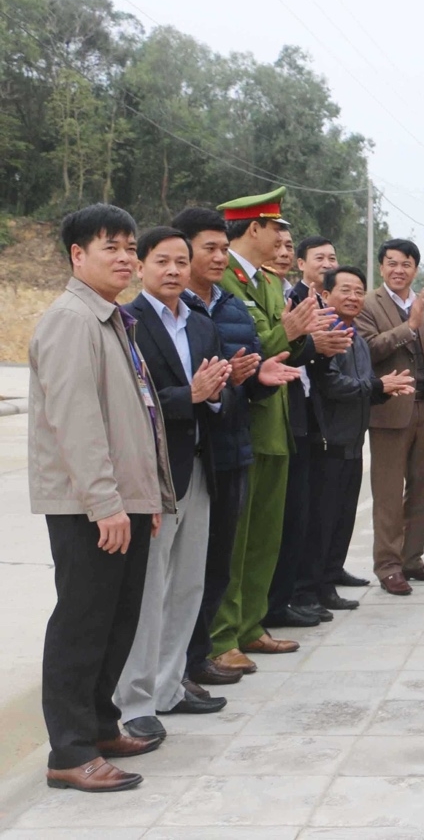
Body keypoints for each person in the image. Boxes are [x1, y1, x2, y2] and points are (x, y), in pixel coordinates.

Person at [29, 204, 176, 792]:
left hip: (125, 501)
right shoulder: (71, 320)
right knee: (82, 623)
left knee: (117, 621)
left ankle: (98, 724)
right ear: (77, 256)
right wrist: (106, 504)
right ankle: (68, 749)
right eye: (109, 246)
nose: (124, 257)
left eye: (128, 246)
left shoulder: (112, 319)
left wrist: (150, 499)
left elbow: (139, 416)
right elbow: (77, 422)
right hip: (88, 506)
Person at [169, 208, 299, 690]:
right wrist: (290, 332)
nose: (220, 257)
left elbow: (258, 359)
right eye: (211, 249)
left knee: (255, 539)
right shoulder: (175, 308)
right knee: (219, 550)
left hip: (249, 426)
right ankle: (215, 641)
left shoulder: (228, 298)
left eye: (223, 249)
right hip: (202, 442)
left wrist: (261, 373)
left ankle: (245, 626)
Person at [113, 228, 232, 743]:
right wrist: (191, 394)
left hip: (200, 466)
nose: (174, 270)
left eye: (181, 261)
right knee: (149, 590)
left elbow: (215, 392)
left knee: (188, 584)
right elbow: (132, 401)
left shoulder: (201, 325)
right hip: (153, 476)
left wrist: (220, 391)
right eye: (162, 260)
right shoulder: (127, 324)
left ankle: (169, 686)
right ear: (140, 266)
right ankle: (135, 701)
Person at [210, 187, 330, 673]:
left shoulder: (267, 282)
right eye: (277, 228)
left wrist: (310, 341)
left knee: (265, 535)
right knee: (236, 539)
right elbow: (252, 346)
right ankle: (223, 634)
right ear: (253, 228)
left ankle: (251, 625)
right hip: (247, 421)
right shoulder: (232, 282)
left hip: (276, 421)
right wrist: (294, 332)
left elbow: (280, 349)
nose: (284, 238)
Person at [302, 267, 417, 605]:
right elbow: (331, 385)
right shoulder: (326, 335)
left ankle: (334, 571)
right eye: (345, 290)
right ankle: (319, 586)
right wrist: (377, 386)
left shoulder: (356, 337)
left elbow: (365, 385)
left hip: (353, 440)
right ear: (327, 295)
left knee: (344, 514)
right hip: (329, 439)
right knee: (324, 517)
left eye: (358, 291)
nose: (353, 297)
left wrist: (383, 390)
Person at [355, 239, 424, 596]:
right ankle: (388, 565)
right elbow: (368, 349)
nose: (399, 270)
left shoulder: (423, 304)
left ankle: (412, 558)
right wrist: (409, 328)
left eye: (406, 264)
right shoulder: (368, 305)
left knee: (423, 488)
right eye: (392, 263)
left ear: (415, 269)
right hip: (388, 410)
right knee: (387, 492)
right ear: (381, 268)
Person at [266, 234, 352, 626]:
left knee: (314, 510)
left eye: (332, 256)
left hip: (315, 415)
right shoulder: (291, 298)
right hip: (284, 411)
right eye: (319, 257)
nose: (326, 263)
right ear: (302, 263)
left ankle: (310, 587)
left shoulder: (323, 302)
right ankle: (292, 593)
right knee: (293, 514)